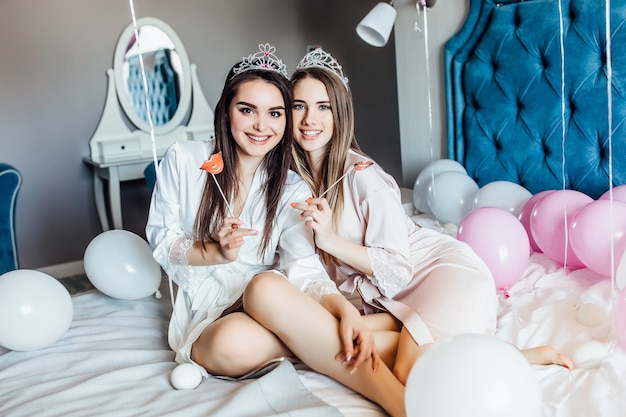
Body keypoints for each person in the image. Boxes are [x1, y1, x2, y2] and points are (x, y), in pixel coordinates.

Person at [146, 44, 408, 417]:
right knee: (227, 347)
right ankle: (367, 337)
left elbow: (304, 267)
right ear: (226, 111)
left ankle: (397, 403)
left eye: (275, 113)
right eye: (247, 110)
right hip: (210, 313)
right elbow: (162, 236)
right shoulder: (185, 159)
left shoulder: (290, 187)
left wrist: (343, 311)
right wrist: (213, 252)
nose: (261, 126)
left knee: (264, 285)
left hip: (265, 299)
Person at [289, 47, 575, 385]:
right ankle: (513, 354)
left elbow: (395, 266)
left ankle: (518, 359)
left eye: (323, 107)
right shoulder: (297, 182)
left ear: (340, 113)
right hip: (387, 299)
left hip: (439, 274)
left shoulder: (364, 177)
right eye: (299, 106)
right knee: (334, 341)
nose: (310, 119)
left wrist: (329, 241)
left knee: (409, 375)